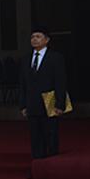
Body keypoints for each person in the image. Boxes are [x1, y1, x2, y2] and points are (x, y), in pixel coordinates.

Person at [19, 26, 68, 158]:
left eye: (38, 37)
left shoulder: (55, 57)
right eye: (32, 37)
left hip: (49, 100)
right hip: (32, 102)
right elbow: (23, 83)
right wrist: (23, 104)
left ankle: (51, 164)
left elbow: (60, 81)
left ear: (46, 40)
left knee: (50, 133)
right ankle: (37, 163)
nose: (34, 39)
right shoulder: (25, 59)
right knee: (35, 136)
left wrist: (60, 103)